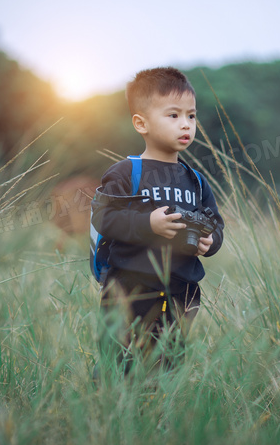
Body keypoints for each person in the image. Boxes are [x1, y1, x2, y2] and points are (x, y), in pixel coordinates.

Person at [91, 66, 224, 375]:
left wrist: (210, 241)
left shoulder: (196, 181)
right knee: (120, 361)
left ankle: (157, 417)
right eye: (173, 115)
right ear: (142, 123)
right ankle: (111, 412)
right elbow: (103, 217)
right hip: (129, 287)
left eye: (191, 116)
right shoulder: (127, 172)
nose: (186, 124)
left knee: (169, 365)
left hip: (181, 290)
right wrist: (148, 224)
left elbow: (215, 222)